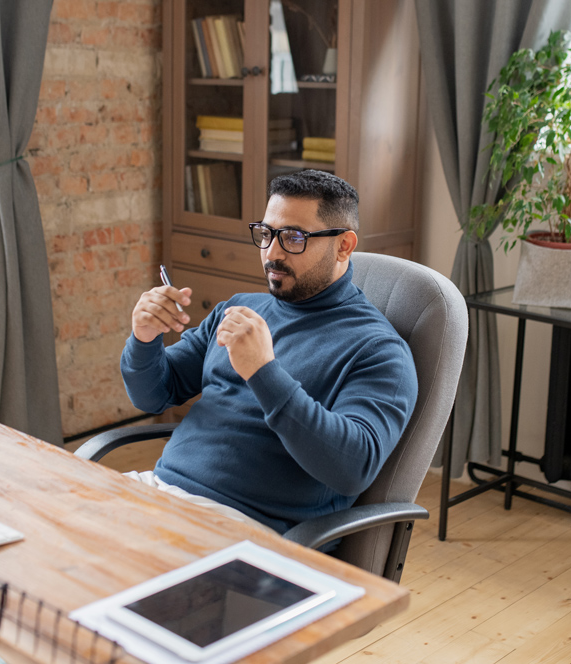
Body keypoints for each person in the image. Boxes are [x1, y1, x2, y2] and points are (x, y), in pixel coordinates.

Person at [121, 170, 419, 535]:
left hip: (239, 528)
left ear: (344, 245)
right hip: (156, 494)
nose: (272, 254)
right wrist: (145, 337)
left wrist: (263, 372)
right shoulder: (239, 310)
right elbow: (152, 395)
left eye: (293, 237)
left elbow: (352, 468)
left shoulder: (379, 352)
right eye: (266, 234)